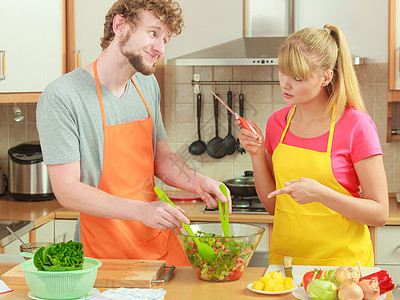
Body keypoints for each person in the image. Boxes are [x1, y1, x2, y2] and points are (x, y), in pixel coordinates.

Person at [36, 0, 231, 266]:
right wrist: (142, 211)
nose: (160, 48)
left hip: (155, 243)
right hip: (104, 254)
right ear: (120, 26)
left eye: (165, 39)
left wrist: (198, 181)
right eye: (153, 33)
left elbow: (161, 159)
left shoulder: (147, 84)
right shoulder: (63, 96)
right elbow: (67, 190)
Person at [237, 24, 388, 267]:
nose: (285, 84)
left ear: (326, 77)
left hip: (342, 269)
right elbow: (274, 205)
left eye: (297, 78)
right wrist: (256, 153)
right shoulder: (278, 123)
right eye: (282, 72)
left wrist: (321, 194)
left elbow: (380, 214)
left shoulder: (356, 125)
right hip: (286, 265)